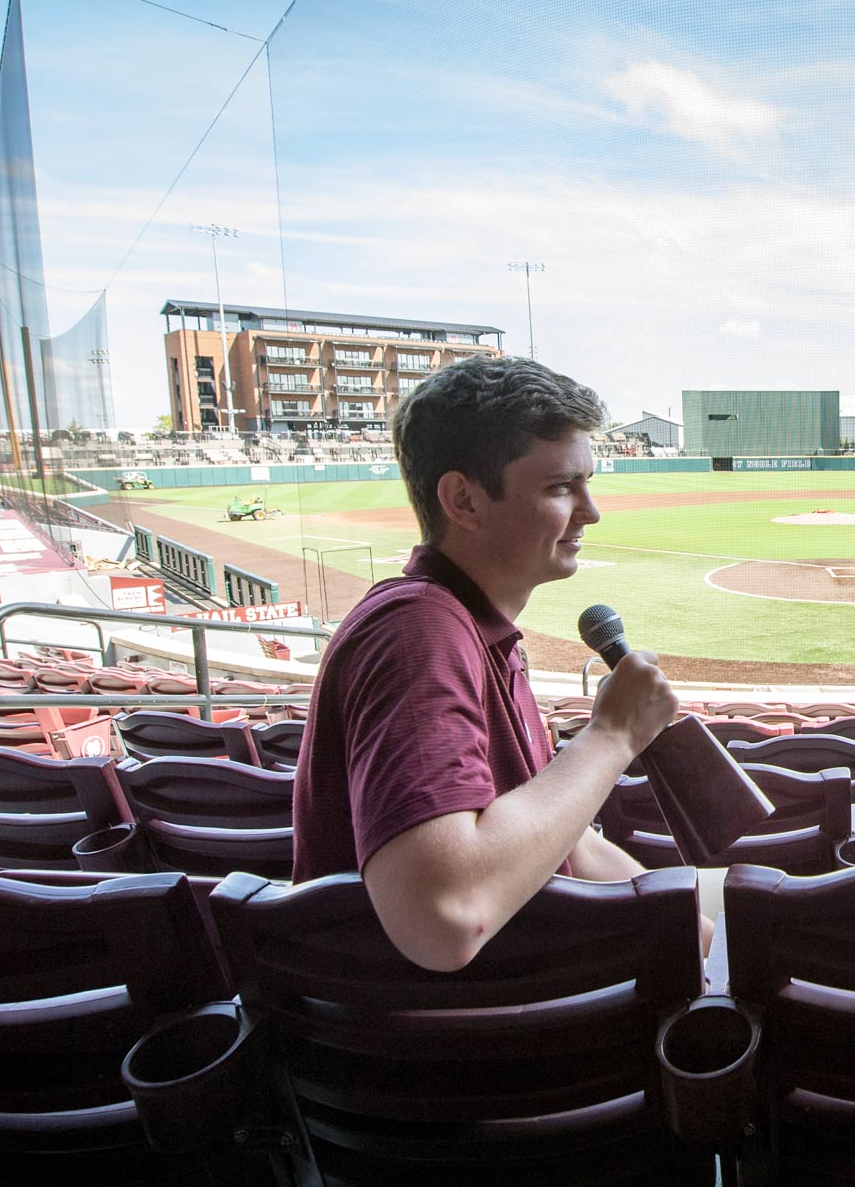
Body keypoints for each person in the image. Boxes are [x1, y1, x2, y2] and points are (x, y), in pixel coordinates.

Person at [291, 357, 679, 971]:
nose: (591, 511)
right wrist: (613, 734)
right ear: (464, 500)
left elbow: (566, 844)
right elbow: (444, 917)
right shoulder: (418, 632)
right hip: (458, 1046)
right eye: (560, 487)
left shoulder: (472, 632)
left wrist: (690, 926)